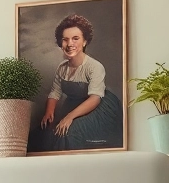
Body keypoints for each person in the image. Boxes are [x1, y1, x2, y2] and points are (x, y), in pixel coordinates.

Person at [29, 13, 124, 152]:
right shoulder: (62, 68)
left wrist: (69, 117)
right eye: (65, 39)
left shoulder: (94, 66)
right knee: (43, 134)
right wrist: (49, 112)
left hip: (98, 107)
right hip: (74, 105)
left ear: (84, 41)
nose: (70, 44)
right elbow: (55, 92)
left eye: (75, 38)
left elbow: (95, 98)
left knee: (68, 132)